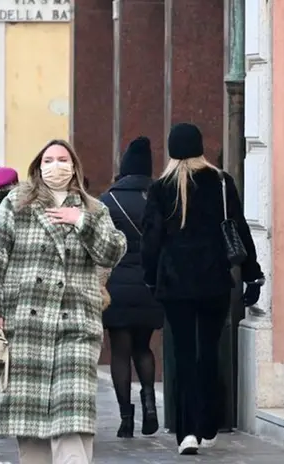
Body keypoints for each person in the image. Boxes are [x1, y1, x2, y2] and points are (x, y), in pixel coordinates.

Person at [0, 139, 127, 463]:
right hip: (27, 323)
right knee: (30, 421)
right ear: (38, 165)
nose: (55, 166)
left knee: (73, 414)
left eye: (62, 159)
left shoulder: (93, 208)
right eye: (49, 159)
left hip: (76, 323)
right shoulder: (17, 202)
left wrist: (81, 222)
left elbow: (113, 252)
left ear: (74, 166)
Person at [141, 123, 264, 455]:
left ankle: (186, 433)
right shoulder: (222, 183)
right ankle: (209, 423)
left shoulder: (160, 188)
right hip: (213, 281)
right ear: (200, 148)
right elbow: (238, 228)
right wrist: (252, 274)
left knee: (183, 355)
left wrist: (150, 277)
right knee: (208, 352)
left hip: (174, 283)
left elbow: (150, 240)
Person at [98, 136, 164, 438]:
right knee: (143, 347)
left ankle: (126, 418)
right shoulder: (159, 197)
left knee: (120, 352)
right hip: (151, 285)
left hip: (116, 288)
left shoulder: (106, 201)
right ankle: (150, 403)